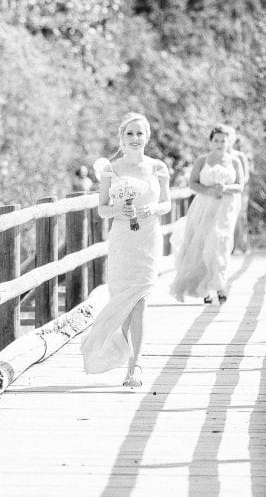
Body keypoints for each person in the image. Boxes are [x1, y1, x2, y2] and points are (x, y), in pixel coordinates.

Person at [81, 112, 171, 387]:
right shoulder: (111, 168)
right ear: (122, 137)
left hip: (148, 239)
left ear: (147, 137)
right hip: (122, 239)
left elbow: (166, 204)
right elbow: (102, 208)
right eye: (129, 134)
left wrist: (152, 208)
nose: (134, 139)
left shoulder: (158, 168)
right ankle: (119, 350)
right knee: (123, 299)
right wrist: (119, 208)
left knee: (141, 298)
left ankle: (136, 365)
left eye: (139, 133)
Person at [170, 124, 245, 305]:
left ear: (228, 143)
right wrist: (208, 190)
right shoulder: (202, 161)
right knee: (202, 244)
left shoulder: (234, 161)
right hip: (204, 206)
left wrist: (225, 188)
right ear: (211, 142)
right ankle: (204, 289)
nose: (219, 144)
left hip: (225, 209)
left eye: (223, 141)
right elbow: (193, 183)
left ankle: (219, 286)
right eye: (216, 140)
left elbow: (240, 186)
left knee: (219, 244)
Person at [231, 139, 251, 254]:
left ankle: (241, 246)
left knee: (240, 217)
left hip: (241, 191)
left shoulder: (242, 156)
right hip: (231, 190)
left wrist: (238, 184)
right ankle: (232, 246)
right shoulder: (228, 154)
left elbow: (246, 175)